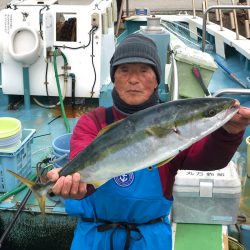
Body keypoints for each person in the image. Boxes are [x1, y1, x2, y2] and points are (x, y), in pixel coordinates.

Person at [47, 34, 250, 250]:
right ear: (114, 78)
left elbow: (207, 159)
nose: (133, 80)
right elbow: (83, 169)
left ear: (156, 80)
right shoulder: (93, 121)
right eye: (124, 70)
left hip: (148, 237)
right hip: (94, 236)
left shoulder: (175, 125)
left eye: (144, 71)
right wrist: (77, 187)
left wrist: (229, 131)